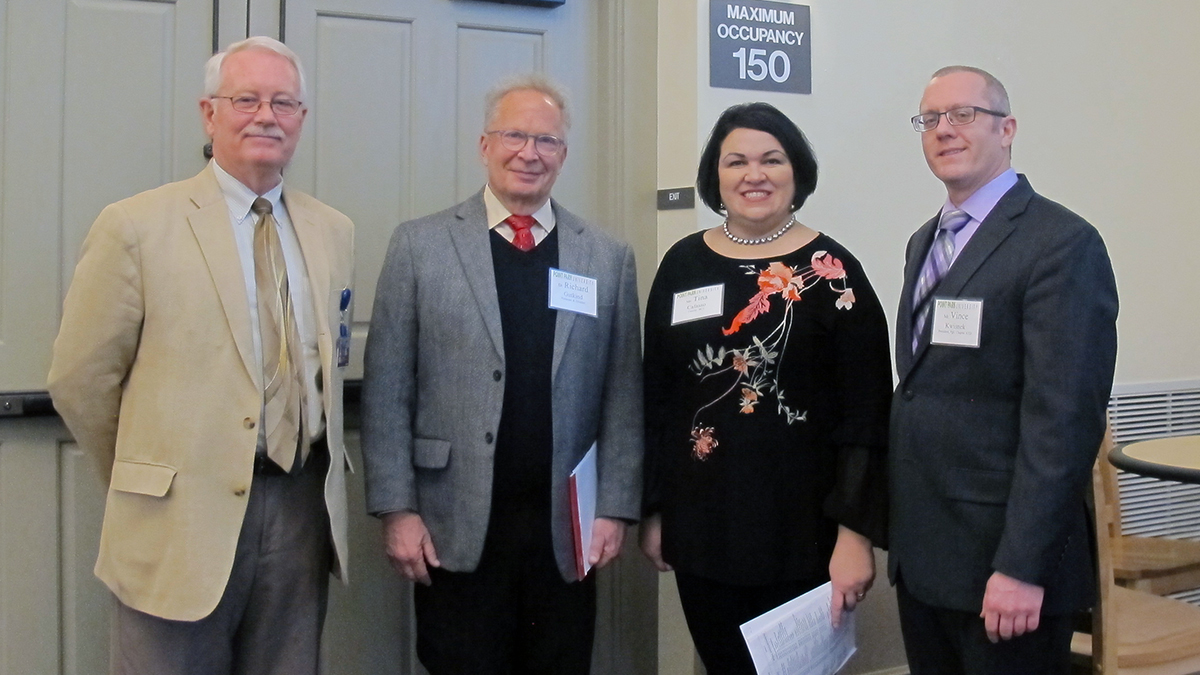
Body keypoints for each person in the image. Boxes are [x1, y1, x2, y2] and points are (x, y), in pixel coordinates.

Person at [46, 37, 354, 675]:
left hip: (298, 513)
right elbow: (80, 379)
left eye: (284, 102)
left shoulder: (333, 231)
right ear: (208, 114)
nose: (266, 115)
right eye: (246, 99)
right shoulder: (135, 226)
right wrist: (148, 474)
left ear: (301, 119)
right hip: (176, 522)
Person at [360, 76, 643, 675]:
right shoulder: (419, 246)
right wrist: (396, 510)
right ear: (484, 144)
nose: (530, 152)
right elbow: (387, 390)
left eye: (547, 140)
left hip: (566, 531)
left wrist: (615, 508)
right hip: (452, 522)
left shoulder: (607, 258)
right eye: (515, 135)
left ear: (563, 155)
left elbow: (623, 395)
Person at [639, 102, 892, 674]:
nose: (755, 174)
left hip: (806, 536)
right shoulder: (681, 265)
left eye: (771, 159)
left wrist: (855, 535)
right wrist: (654, 510)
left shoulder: (834, 271)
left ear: (796, 171)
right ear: (716, 176)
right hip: (702, 527)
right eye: (737, 161)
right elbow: (656, 396)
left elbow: (868, 411)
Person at [889, 65, 1118, 674]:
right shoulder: (924, 242)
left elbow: (1063, 421)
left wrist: (1022, 565)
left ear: (1007, 128)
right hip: (928, 560)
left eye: (963, 115)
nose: (944, 130)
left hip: (1005, 569)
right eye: (930, 119)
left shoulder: (1061, 243)